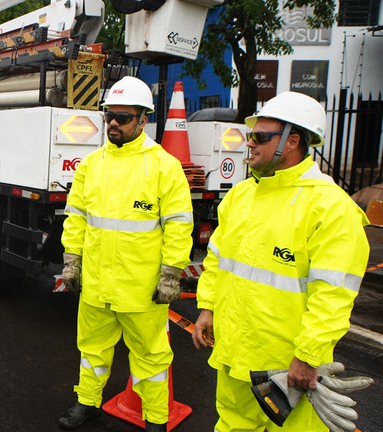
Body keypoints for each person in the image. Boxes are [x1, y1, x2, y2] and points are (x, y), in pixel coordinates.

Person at [191, 91, 370, 431]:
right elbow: (216, 260)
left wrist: (307, 357)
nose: (249, 144)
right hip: (234, 357)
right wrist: (207, 308)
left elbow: (333, 295)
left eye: (260, 136)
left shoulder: (330, 208)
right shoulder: (241, 196)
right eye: (250, 135)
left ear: (292, 141)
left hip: (288, 370)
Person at [58, 76, 194, 432]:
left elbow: (180, 225)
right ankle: (87, 403)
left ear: (143, 120)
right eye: (109, 117)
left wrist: (170, 275)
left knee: (151, 356)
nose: (113, 123)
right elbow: (76, 219)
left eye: (123, 116)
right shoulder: (91, 165)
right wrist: (72, 261)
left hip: (140, 288)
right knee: (92, 350)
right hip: (98, 284)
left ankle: (156, 420)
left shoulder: (164, 166)